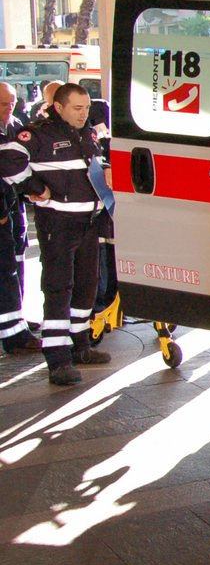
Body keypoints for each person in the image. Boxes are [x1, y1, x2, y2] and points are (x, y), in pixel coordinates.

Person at [0, 83, 110, 386]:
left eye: (86, 107)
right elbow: (7, 160)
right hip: (58, 225)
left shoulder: (87, 132)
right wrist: (34, 188)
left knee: (86, 287)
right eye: (77, 108)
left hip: (89, 222)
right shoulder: (39, 133)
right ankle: (58, 359)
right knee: (59, 288)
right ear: (58, 107)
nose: (83, 113)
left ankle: (80, 346)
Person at [0, 83, 39, 357]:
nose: (9, 107)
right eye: (3, 103)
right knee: (5, 270)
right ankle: (14, 335)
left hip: (16, 204)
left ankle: (18, 320)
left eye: (12, 102)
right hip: (2, 207)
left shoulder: (15, 125)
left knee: (17, 261)